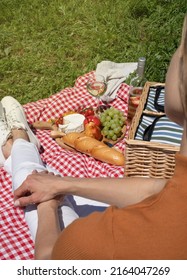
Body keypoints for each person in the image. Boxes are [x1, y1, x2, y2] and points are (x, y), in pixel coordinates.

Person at [2, 13, 187, 259]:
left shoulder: (100, 239)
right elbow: (158, 190)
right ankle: (15, 147)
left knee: (38, 192)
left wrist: (48, 205)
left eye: (180, 48)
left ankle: (18, 141)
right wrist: (64, 183)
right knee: (45, 184)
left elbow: (47, 262)